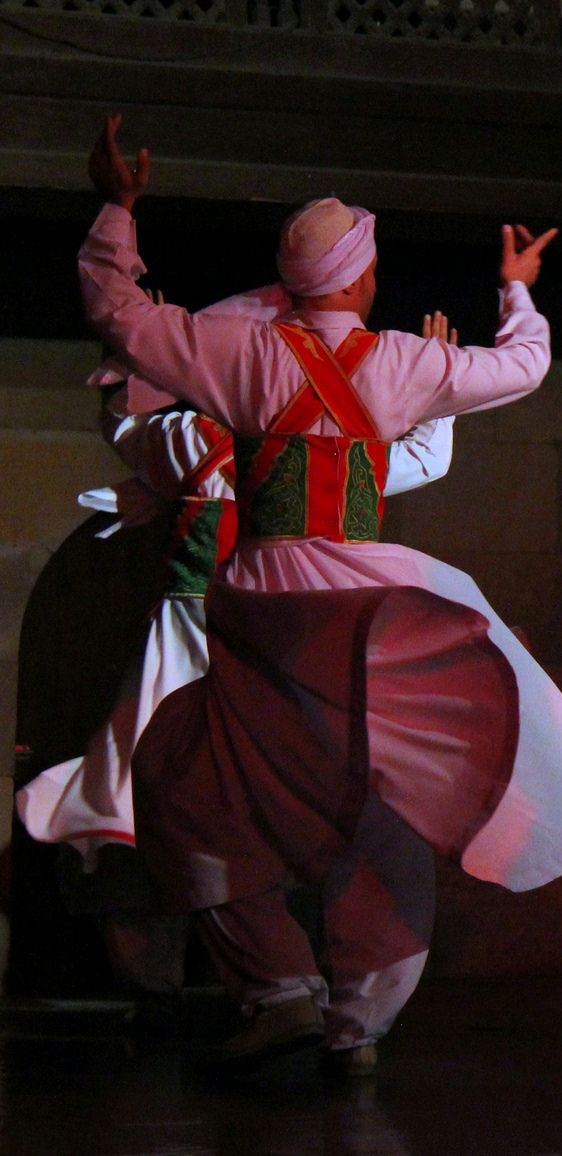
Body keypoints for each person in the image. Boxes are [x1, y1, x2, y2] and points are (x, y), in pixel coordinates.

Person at [77, 115, 562, 1076]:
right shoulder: (400, 360)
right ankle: (354, 1016)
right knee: (374, 804)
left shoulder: (235, 353)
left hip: (262, 608)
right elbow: (522, 369)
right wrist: (517, 293)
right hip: (360, 608)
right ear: (360, 279)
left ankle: (281, 987)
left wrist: (117, 208)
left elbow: (117, 313)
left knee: (195, 786)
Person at [14, 293, 456, 1002]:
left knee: (152, 802)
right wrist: (439, 391)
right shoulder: (339, 448)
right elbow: (425, 460)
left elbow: (126, 429)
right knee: (217, 808)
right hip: (265, 653)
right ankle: (282, 990)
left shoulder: (198, 439)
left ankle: (234, 985)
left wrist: (133, 350)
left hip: (201, 650)